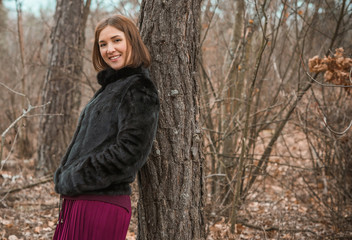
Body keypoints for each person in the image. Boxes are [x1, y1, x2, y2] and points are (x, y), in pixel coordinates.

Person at [53, 14, 159, 240]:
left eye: (116, 40)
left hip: (102, 204)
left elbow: (131, 152)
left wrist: (77, 175)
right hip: (80, 201)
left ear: (132, 41)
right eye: (103, 44)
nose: (110, 49)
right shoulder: (111, 88)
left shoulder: (138, 88)